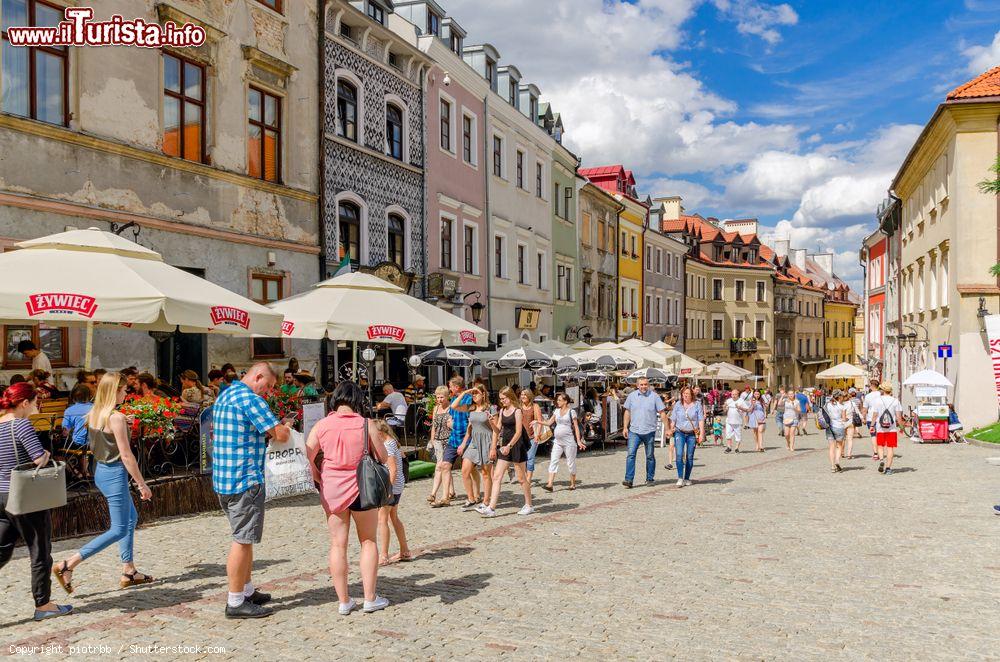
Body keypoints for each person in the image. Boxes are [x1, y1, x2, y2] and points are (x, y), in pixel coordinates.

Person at [52, 373, 155, 596]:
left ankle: (129, 570)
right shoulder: (115, 416)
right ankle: (68, 564)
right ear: (114, 390)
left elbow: (103, 435)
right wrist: (141, 484)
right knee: (118, 528)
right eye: (124, 390)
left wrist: (123, 422)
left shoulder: (95, 413)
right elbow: (127, 456)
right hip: (115, 472)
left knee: (131, 519)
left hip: (100, 470)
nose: (126, 393)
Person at [211, 363, 292, 619]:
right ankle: (235, 601)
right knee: (242, 540)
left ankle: (246, 590)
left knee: (244, 536)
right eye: (267, 386)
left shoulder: (226, 394)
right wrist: (286, 426)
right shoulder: (251, 399)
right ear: (258, 376)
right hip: (245, 478)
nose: (267, 392)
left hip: (224, 478)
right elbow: (279, 435)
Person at [306, 382, 389, 615]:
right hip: (363, 487)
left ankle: (344, 601)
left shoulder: (322, 425)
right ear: (358, 400)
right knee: (368, 541)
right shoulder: (366, 424)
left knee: (338, 544)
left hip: (332, 489)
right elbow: (382, 456)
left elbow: (307, 454)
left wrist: (317, 474)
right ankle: (370, 598)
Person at [0, 382, 74, 621]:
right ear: (24, 403)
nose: (36, 406)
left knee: (1, 550)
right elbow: (37, 458)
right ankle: (43, 605)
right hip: (23, 497)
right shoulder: (21, 425)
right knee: (39, 550)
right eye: (35, 402)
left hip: (0, 497)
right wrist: (46, 455)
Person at [480, 387, 532, 517]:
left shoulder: (517, 411)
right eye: (500, 399)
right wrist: (491, 422)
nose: (502, 401)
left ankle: (529, 505)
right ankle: (491, 508)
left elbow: (519, 431)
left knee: (521, 478)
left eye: (504, 398)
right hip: (505, 446)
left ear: (510, 397)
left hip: (517, 445)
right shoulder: (502, 411)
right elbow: (497, 430)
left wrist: (509, 445)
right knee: (497, 476)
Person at [373, 420, 411, 566]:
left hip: (391, 485)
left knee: (382, 519)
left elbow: (393, 469)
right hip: (397, 485)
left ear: (380, 433)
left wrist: (387, 489)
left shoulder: (388, 445)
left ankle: (383, 555)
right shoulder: (393, 442)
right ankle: (404, 550)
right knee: (393, 518)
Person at [621, 377, 667, 488]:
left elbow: (662, 413)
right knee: (631, 455)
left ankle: (650, 478)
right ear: (637, 385)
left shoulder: (654, 396)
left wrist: (668, 429)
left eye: (645, 384)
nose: (643, 386)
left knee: (650, 456)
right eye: (641, 384)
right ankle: (629, 480)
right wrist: (625, 427)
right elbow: (627, 412)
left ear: (648, 385)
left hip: (649, 431)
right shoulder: (632, 396)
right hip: (634, 431)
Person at [457, 386, 494, 511]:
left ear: (483, 394)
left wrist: (494, 447)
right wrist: (465, 392)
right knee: (464, 470)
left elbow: (496, 429)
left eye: (476, 393)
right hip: (473, 442)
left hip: (487, 441)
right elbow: (454, 406)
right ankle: (471, 498)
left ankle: (486, 500)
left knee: (485, 473)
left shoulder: (490, 408)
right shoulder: (471, 408)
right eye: (472, 394)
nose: (474, 396)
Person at [541, 392, 584, 492]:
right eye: (557, 400)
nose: (557, 402)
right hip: (558, 441)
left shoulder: (571, 412)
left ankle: (573, 483)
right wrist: (538, 421)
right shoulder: (556, 411)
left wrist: (578, 441)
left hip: (569, 442)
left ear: (565, 401)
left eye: (560, 400)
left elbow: (576, 427)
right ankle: (550, 484)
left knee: (570, 463)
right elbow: (548, 423)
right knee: (553, 460)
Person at [667, 386, 705, 487]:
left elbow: (701, 420)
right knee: (679, 455)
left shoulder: (697, 405)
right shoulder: (678, 405)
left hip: (692, 433)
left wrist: (701, 434)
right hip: (680, 432)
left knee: (689, 456)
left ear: (692, 394)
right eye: (684, 394)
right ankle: (680, 478)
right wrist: (671, 429)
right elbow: (673, 419)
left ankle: (687, 478)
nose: (685, 396)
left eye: (687, 394)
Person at [445, 377, 473, 507]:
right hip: (453, 437)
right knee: (444, 465)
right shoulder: (453, 398)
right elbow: (451, 412)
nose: (449, 388)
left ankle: (475, 494)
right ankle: (446, 497)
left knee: (470, 470)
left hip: (465, 438)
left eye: (450, 386)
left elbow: (469, 419)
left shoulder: (468, 398)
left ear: (457, 387)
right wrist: (449, 421)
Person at [867, 382, 903, 476]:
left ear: (882, 390)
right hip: (891, 428)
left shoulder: (877, 401)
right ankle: (888, 468)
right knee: (890, 448)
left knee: (880, 446)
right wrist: (902, 427)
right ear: (890, 390)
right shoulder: (895, 401)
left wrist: (871, 426)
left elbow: (874, 415)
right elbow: (899, 416)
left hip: (880, 428)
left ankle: (882, 460)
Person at [60, 384, 93, 479]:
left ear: (73, 397)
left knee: (56, 451)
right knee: (82, 447)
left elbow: (65, 431)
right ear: (89, 396)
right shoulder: (95, 408)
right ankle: (85, 472)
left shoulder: (69, 410)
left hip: (78, 443)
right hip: (95, 443)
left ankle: (75, 472)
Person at [427, 386, 453, 507]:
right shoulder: (436, 408)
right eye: (437, 397)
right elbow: (434, 426)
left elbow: (454, 424)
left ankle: (433, 493)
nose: (439, 399)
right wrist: (432, 440)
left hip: (448, 440)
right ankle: (451, 491)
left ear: (447, 396)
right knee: (444, 467)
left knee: (440, 466)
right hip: (437, 440)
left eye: (442, 397)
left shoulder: (451, 408)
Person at [519, 388, 543, 484]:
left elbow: (539, 421)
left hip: (533, 436)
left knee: (530, 457)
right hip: (521, 437)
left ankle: (528, 480)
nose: (523, 396)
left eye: (525, 395)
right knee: (523, 458)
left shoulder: (535, 406)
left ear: (529, 396)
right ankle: (525, 477)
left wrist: (537, 434)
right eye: (521, 395)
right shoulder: (519, 407)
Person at [822, 389, 848, 473]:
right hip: (839, 427)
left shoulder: (828, 404)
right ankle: (837, 461)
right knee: (839, 446)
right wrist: (846, 419)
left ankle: (832, 466)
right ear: (839, 396)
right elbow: (844, 419)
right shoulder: (842, 406)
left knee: (831, 447)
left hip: (829, 426)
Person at [861, 379, 883, 461]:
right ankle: (881, 451)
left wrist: (863, 418)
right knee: (880, 435)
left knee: (873, 436)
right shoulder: (882, 394)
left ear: (871, 386)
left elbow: (865, 409)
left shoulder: (868, 396)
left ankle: (876, 453)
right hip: (881, 417)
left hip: (870, 418)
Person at [723, 389, 751, 453]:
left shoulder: (741, 401)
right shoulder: (728, 400)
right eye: (732, 394)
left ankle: (737, 448)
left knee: (738, 435)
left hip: (737, 421)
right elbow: (724, 409)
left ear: (738, 394)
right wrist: (725, 407)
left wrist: (740, 407)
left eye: (735, 394)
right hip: (729, 421)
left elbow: (747, 410)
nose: (733, 396)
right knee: (728, 434)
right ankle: (729, 447)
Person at [843, 388, 863, 459]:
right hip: (850, 422)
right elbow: (858, 412)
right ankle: (849, 454)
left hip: (842, 423)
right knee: (850, 439)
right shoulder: (852, 403)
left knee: (843, 438)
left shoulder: (840, 404)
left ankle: (842, 452)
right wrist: (862, 418)